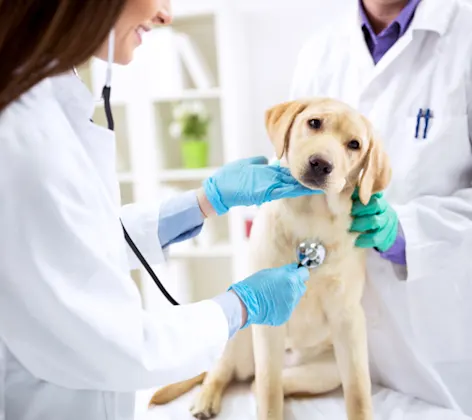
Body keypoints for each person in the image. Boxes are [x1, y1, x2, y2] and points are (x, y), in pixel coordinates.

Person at [0, 1, 324, 420]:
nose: (167, 15)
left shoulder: (46, 97)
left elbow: (74, 243)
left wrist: (204, 203)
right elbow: (116, 345)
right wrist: (241, 306)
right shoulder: (22, 136)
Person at [290, 0, 472, 415]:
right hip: (331, 350)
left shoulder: (466, 39)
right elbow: (296, 163)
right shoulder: (319, 50)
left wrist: (407, 232)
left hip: (438, 351)